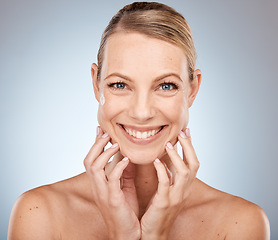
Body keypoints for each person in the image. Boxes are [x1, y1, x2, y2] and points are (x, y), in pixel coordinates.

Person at [8, 2, 270, 240]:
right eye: (120, 84)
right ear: (96, 84)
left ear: (192, 89)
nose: (142, 112)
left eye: (166, 85)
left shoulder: (240, 224)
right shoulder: (39, 214)